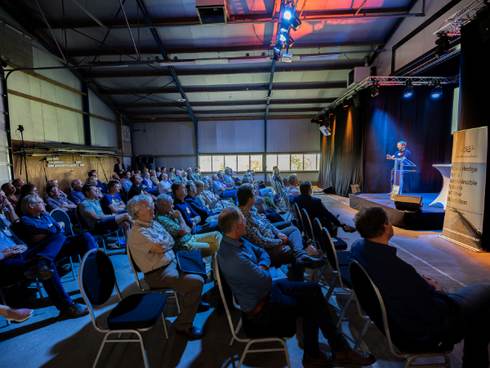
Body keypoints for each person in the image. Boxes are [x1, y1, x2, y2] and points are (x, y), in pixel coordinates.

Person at [217, 207, 375, 367]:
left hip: (265, 291)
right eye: (243, 221)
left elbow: (262, 253)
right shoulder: (234, 257)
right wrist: (263, 267)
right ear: (237, 227)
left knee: (313, 289)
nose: (245, 223)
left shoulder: (238, 240)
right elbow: (265, 278)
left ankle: (335, 350)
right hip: (260, 310)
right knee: (311, 304)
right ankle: (322, 354)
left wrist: (261, 265)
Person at [351, 207, 490, 368]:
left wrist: (419, 284)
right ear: (384, 227)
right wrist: (438, 291)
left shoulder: (359, 248)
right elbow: (432, 312)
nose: (391, 225)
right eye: (389, 222)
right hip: (420, 333)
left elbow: (409, 291)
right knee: (484, 304)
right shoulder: (396, 269)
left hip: (395, 322)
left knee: (481, 303)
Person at [126, 194, 207, 340]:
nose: (152, 209)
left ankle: (193, 300)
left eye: (152, 206)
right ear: (137, 212)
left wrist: (165, 244)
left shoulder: (152, 223)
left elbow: (169, 240)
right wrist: (164, 244)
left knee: (199, 264)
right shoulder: (137, 233)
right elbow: (159, 247)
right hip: (158, 274)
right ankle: (183, 325)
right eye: (148, 207)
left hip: (172, 261)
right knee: (197, 281)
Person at [237, 183, 324, 279]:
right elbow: (262, 242)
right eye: (254, 194)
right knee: (294, 247)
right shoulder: (243, 218)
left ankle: (301, 256)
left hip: (271, 236)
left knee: (294, 230)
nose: (256, 195)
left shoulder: (251, 209)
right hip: (268, 249)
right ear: (249, 199)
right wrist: (280, 241)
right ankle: (297, 280)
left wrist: (278, 233)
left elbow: (267, 223)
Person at [293, 182, 355, 249]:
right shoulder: (316, 201)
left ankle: (342, 227)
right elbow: (327, 214)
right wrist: (339, 224)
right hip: (317, 227)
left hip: (305, 226)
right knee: (332, 220)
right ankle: (330, 242)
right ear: (309, 190)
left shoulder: (296, 200)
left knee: (330, 218)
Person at [155, 194, 222, 256]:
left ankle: (219, 259)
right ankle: (220, 263)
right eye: (171, 204)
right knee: (212, 246)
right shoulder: (161, 219)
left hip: (190, 237)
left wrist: (183, 222)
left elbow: (188, 230)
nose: (173, 206)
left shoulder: (170, 213)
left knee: (217, 235)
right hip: (184, 245)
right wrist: (180, 217)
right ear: (163, 206)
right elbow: (183, 231)